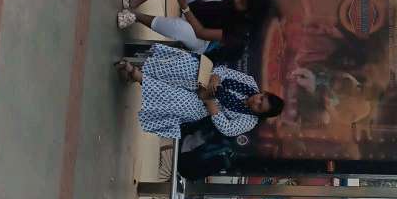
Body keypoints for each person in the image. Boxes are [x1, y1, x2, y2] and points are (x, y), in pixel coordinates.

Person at [113, 48, 283, 140]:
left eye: (259, 106)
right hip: (206, 79)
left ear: (260, 114)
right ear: (263, 92)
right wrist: (214, 80)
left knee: (179, 101)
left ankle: (137, 76)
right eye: (261, 98)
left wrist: (209, 101)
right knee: (184, 67)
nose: (256, 101)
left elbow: (228, 129)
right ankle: (140, 70)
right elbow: (224, 71)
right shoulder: (250, 83)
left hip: (206, 107)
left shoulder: (250, 121)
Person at [116, 0, 267, 58]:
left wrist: (185, 8)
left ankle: (135, 16)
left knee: (181, 30)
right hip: (198, 7)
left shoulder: (238, 32)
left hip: (199, 37)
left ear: (248, 13)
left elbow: (202, 32)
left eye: (242, 1)